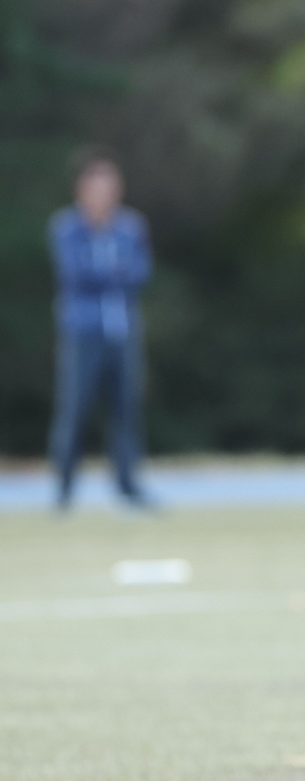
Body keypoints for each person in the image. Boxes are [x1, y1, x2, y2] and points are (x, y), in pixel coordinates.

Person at [49, 151, 153, 511]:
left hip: (122, 328)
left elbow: (140, 273)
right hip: (83, 330)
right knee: (75, 408)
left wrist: (109, 273)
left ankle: (128, 486)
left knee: (126, 409)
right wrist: (114, 272)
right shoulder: (66, 227)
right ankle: (64, 489)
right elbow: (76, 274)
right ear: (82, 189)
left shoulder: (131, 226)